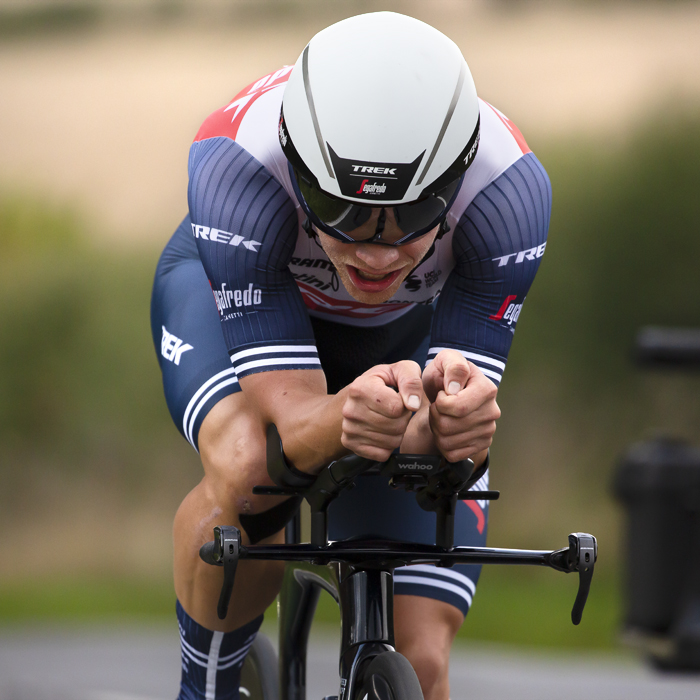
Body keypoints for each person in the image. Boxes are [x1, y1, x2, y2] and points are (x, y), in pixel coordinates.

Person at [151, 11, 550, 700]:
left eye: (411, 218)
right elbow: (290, 424)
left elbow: (455, 437)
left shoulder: (507, 195)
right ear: (299, 166)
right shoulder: (237, 162)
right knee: (251, 470)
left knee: (420, 662)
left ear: (455, 181)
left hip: (401, 340)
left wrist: (455, 423)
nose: (374, 252)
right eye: (344, 212)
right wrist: (346, 416)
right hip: (241, 308)